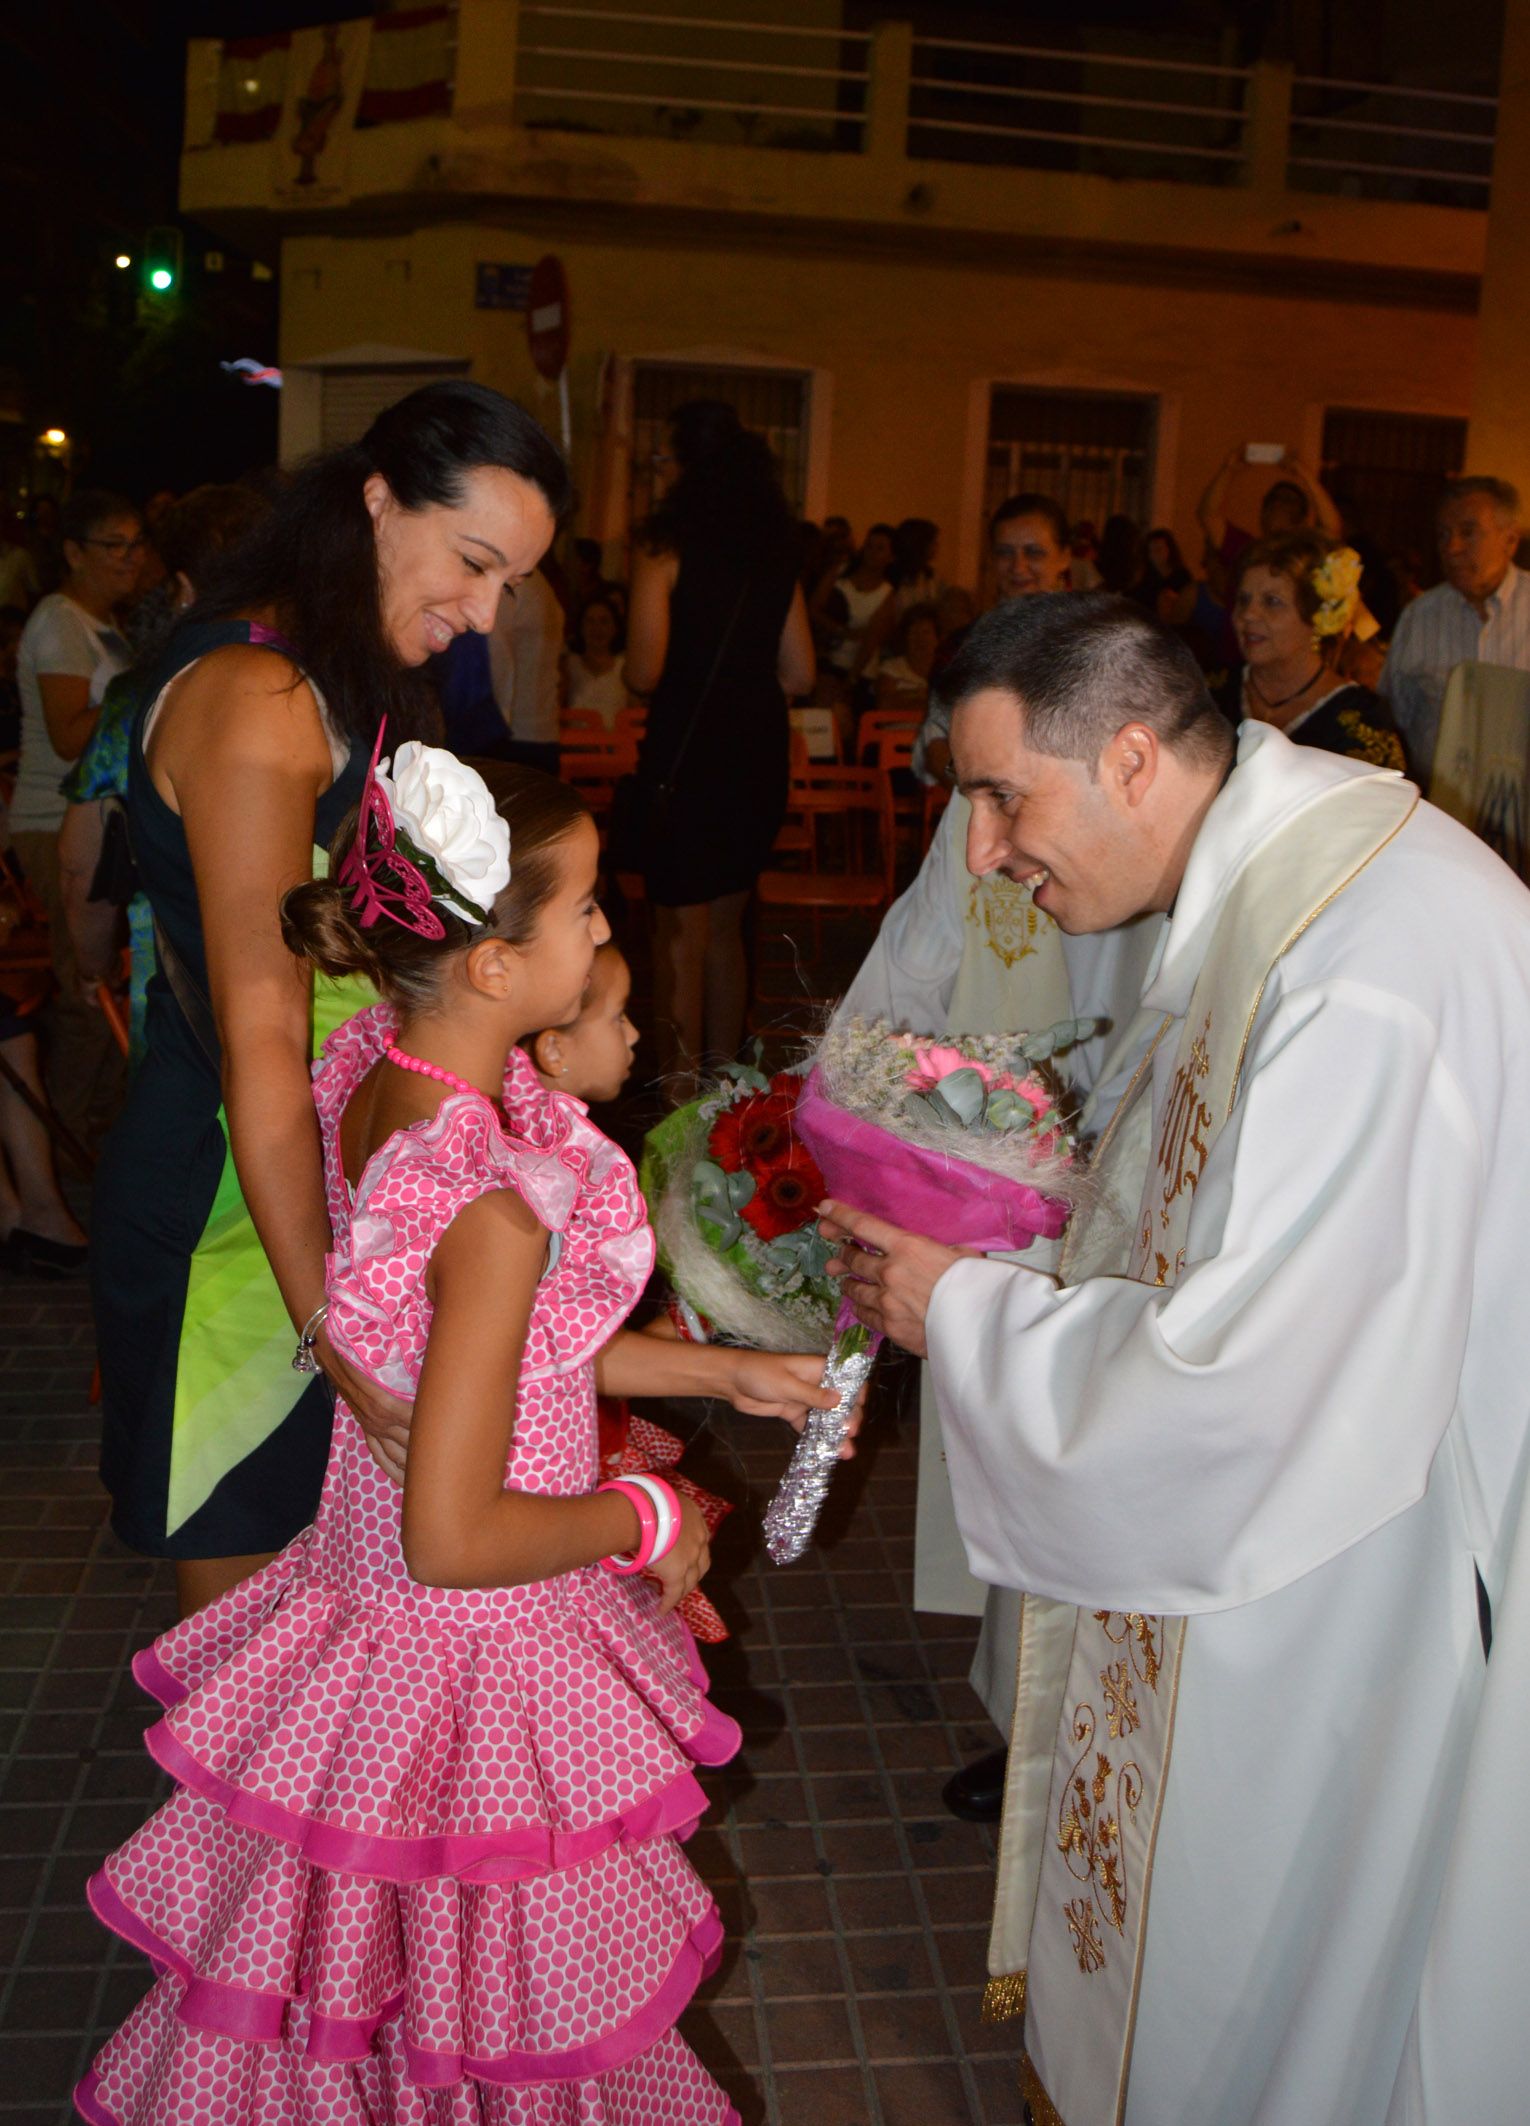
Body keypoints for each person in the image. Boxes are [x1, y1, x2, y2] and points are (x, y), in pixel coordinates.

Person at [821, 588, 1530, 2125]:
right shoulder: (1279, 879)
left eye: (1005, 796)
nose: (991, 852)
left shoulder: (1365, 959)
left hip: (1339, 1568)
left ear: (1133, 758)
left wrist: (963, 1312)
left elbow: (1256, 1372)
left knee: (1267, 1974)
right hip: (1296, 1522)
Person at [77, 743, 854, 2125]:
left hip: (374, 1636)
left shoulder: (385, 1075)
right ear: (495, 968)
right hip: (471, 1664)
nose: (608, 931)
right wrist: (648, 1517)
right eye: (586, 914)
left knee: (371, 2004)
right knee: (492, 2021)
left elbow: (502, 1366)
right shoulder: (487, 1200)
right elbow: (455, 1533)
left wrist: (722, 1380)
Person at [91, 380, 572, 1623]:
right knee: (243, 1652)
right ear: (375, 499)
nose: (482, 611)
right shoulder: (257, 701)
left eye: (509, 583)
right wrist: (331, 1332)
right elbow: (263, 1041)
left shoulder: (324, 673)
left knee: (320, 1636)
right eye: (472, 562)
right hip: (234, 1213)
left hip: (305, 1189)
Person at [624, 398, 814, 1087]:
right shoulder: (774, 554)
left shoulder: (664, 550)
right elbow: (801, 671)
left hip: (687, 752)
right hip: (755, 753)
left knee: (681, 936)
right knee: (729, 931)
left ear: (686, 468)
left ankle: (678, 1091)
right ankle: (730, 1086)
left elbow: (644, 668)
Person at [58, 484, 269, 1071]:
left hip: (181, 987)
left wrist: (92, 964)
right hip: (317, 997)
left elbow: (84, 863)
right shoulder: (332, 686)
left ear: (183, 587)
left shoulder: (141, 700)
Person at [10, 488, 141, 1145]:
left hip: (94, 821)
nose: (127, 559)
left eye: (134, 544)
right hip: (51, 820)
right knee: (83, 992)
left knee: (99, 988)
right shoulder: (60, 621)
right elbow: (68, 736)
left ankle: (84, 1124)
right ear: (72, 553)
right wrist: (135, 697)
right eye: (110, 545)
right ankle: (58, 1142)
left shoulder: (106, 624)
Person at [1380, 475, 1530, 787]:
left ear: (1510, 540)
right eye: (1443, 535)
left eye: (1468, 532)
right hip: (1441, 810)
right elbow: (1392, 721)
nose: (1452, 548)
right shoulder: (1420, 617)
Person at [1221, 530, 1410, 773]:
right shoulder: (1206, 693)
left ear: (1317, 617)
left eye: (1272, 601)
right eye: (1243, 600)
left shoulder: (1361, 721)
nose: (1248, 614)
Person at [1196, 444, 1340, 595]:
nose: (1279, 505)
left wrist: (1304, 474)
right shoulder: (1246, 549)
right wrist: (1228, 469)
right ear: (1263, 514)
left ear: (1302, 518)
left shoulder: (1304, 555)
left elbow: (1332, 527)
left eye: (1288, 501)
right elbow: (1208, 514)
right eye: (1273, 500)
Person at [487, 559, 564, 774]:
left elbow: (499, 663)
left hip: (514, 733)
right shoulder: (544, 586)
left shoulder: (516, 585)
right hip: (544, 729)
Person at [812, 520, 895, 692]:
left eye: (880, 549)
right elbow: (813, 608)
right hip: (826, 657)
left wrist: (851, 679)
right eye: (869, 546)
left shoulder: (886, 594)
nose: (872, 553)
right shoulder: (840, 572)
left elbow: (871, 641)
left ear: (891, 557)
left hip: (858, 670)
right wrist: (839, 630)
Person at [565, 592, 629, 727]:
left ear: (615, 628)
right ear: (581, 627)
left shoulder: (626, 668)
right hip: (573, 745)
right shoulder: (568, 666)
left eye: (604, 621)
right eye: (590, 621)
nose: (597, 629)